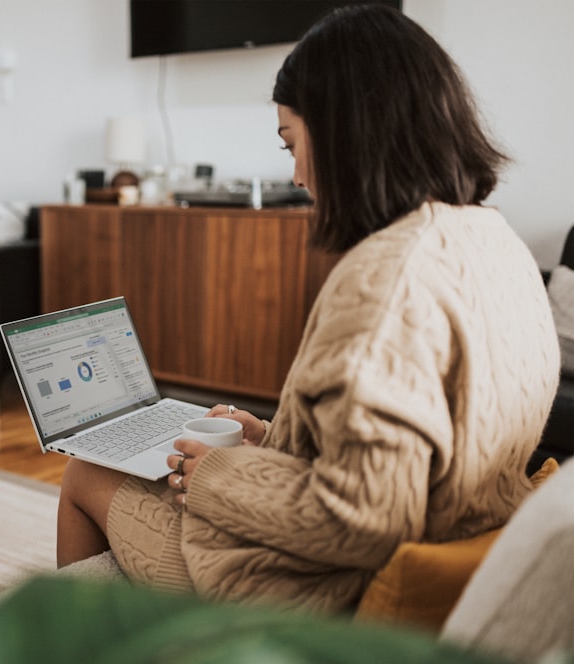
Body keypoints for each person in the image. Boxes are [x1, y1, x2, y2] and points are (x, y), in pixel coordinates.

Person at [57, 4, 560, 613]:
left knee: (84, 471)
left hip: (312, 588)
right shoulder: (494, 240)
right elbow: (404, 448)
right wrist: (268, 440)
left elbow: (365, 516)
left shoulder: (387, 280)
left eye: (292, 142)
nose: (295, 173)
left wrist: (218, 473)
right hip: (464, 540)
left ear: (347, 133)